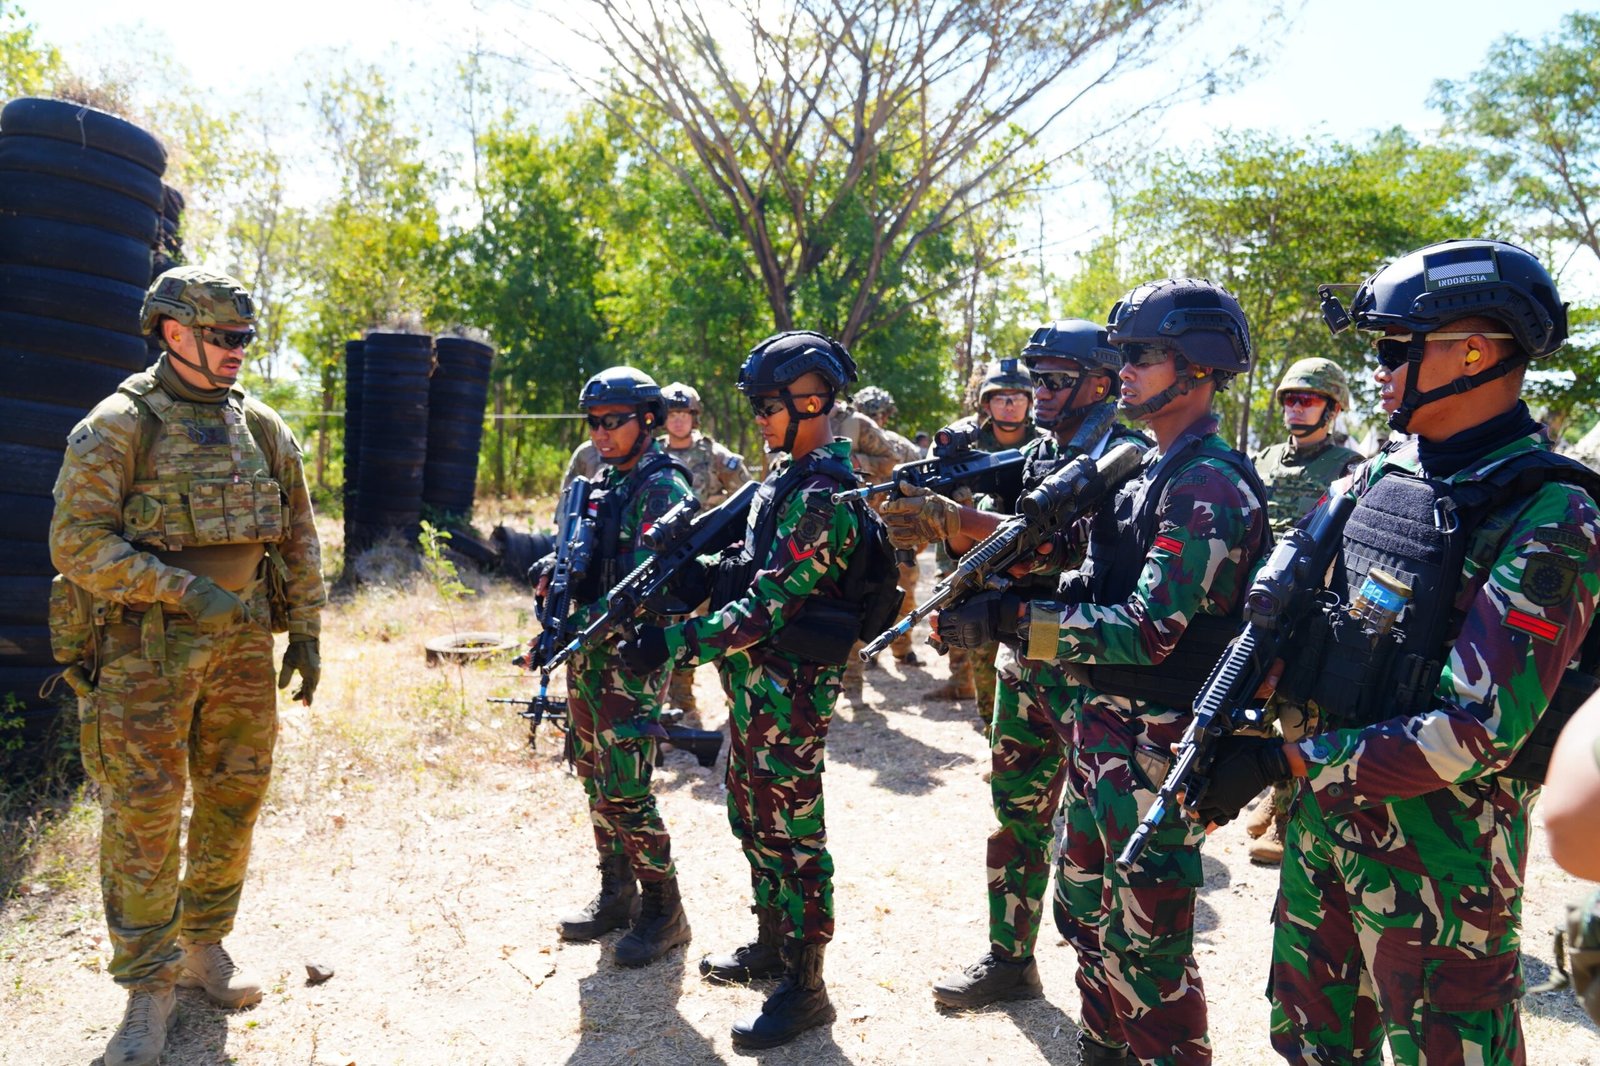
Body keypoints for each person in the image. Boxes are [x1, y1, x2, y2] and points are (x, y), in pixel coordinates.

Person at [1196, 239, 1600, 1065]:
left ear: (1476, 354)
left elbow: (1474, 732)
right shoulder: (1385, 472)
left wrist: (1287, 766)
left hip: (1440, 872)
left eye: (1393, 350)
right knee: (1310, 1041)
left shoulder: (1552, 513)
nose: (1377, 371)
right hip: (1325, 838)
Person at [936, 281, 1269, 1064]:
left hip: (1157, 745)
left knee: (1148, 947)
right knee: (1083, 911)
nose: (1125, 370)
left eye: (1144, 355)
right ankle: (1100, 1043)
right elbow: (1090, 578)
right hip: (1103, 737)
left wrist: (1018, 623)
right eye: (1122, 354)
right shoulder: (1145, 466)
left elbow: (1149, 631)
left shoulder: (1206, 485)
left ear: (1200, 367)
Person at [48, 266, 325, 1066]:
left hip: (241, 645)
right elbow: (76, 544)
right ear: (174, 334)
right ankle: (146, 990)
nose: (240, 351)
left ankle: (205, 945)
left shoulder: (260, 426)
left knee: (234, 794)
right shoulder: (117, 427)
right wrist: (180, 589)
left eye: (246, 338)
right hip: (145, 653)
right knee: (143, 814)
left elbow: (298, 533)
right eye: (225, 337)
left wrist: (303, 629)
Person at [617, 330, 870, 1048]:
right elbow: (743, 571)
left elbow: (765, 609)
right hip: (755, 692)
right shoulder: (780, 479)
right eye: (756, 404)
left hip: (791, 695)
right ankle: (771, 942)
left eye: (769, 404)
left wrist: (672, 643)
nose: (758, 417)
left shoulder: (824, 494)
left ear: (812, 400)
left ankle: (806, 984)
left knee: (793, 837)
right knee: (752, 818)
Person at [883, 321, 1147, 1010]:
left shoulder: (1125, 456)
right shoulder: (1040, 454)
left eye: (1057, 380)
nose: (1042, 393)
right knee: (1017, 817)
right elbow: (1015, 550)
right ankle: (1009, 959)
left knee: (1099, 842)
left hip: (1091, 674)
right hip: (1024, 663)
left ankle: (1110, 1001)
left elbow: (1058, 543)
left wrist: (951, 518)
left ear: (1101, 382)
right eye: (1037, 381)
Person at [537, 368, 696, 970]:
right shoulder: (600, 484)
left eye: (615, 422)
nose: (602, 434)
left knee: (626, 786)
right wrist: (552, 579)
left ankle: (665, 909)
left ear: (647, 419)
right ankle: (618, 892)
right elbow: (583, 555)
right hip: (585, 650)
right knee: (593, 777)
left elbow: (660, 580)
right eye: (594, 423)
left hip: (632, 654)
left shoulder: (664, 486)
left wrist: (588, 621)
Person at [1243, 357, 1364, 865]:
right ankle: (1272, 792)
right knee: (1253, 710)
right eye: (1290, 399)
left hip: (1313, 610)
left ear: (1332, 409)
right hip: (1260, 604)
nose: (1296, 408)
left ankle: (1290, 814)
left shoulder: (1351, 468)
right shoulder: (1264, 458)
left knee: (1298, 717)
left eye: (1308, 400)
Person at [928, 359, 1047, 712]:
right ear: (985, 403)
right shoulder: (965, 448)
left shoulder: (1047, 448)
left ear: (1029, 402)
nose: (1009, 404)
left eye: (1016, 397)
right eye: (1000, 397)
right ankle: (992, 738)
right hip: (971, 565)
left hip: (1033, 568)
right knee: (982, 659)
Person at [659, 382, 753, 716]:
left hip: (709, 561)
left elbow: (749, 498)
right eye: (672, 414)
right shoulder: (654, 456)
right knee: (675, 635)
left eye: (684, 413)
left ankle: (741, 705)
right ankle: (683, 710)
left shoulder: (716, 456)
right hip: (666, 562)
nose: (679, 421)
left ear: (694, 416)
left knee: (722, 635)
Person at [847, 384, 925, 670]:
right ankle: (888, 652)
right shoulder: (891, 445)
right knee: (893, 595)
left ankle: (897, 652)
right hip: (880, 535)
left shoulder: (896, 447)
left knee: (897, 594)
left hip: (892, 535)